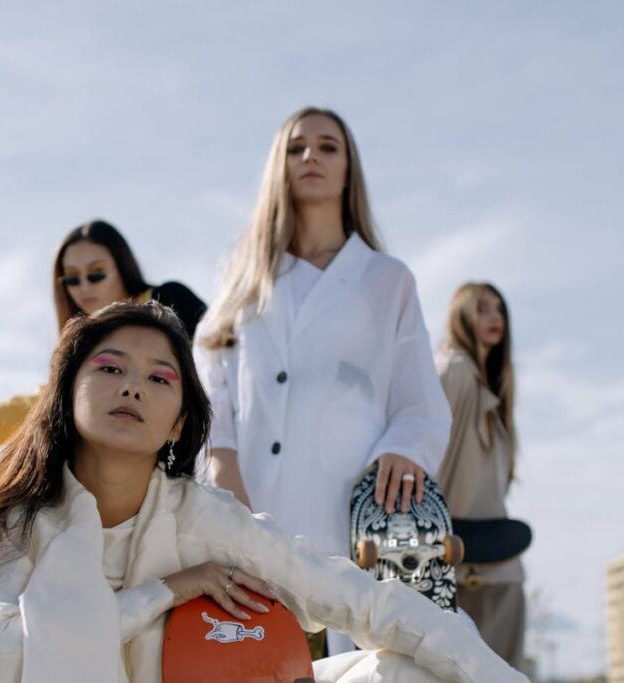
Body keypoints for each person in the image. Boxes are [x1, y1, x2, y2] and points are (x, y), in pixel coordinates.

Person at [0, 301, 527, 682]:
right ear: (67, 395)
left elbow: (358, 600)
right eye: (109, 368)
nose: (133, 388)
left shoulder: (201, 516)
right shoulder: (15, 524)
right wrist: (163, 593)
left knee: (407, 672)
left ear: (179, 420)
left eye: (159, 377)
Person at [193, 107, 451, 654]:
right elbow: (210, 367)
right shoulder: (245, 279)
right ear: (278, 167)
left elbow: (419, 402)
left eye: (328, 146)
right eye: (296, 147)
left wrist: (405, 448)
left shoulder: (387, 280)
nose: (310, 156)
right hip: (251, 507)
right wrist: (221, 457)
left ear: (348, 169)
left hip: (347, 521)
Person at [0, 219, 206, 464]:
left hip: (211, 453)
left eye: (95, 273)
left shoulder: (169, 300)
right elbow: (33, 408)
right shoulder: (84, 346)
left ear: (122, 267)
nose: (83, 286)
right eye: (71, 279)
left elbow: (224, 351)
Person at [435, 282, 525, 669]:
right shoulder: (453, 370)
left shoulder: (495, 391)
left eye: (500, 310)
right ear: (461, 316)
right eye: (483, 308)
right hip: (454, 570)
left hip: (499, 570)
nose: (495, 318)